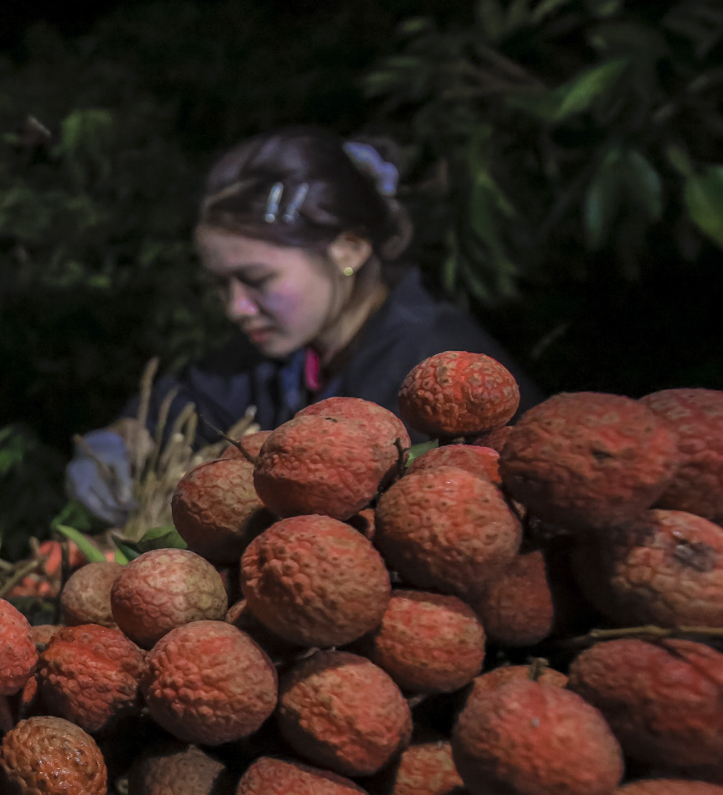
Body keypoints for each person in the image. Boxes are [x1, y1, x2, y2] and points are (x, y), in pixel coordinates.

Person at [66, 127, 538, 527]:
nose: (236, 307)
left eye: (257, 280)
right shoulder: (288, 356)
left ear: (348, 249)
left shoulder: (440, 367)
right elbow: (178, 402)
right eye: (220, 285)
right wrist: (116, 443)